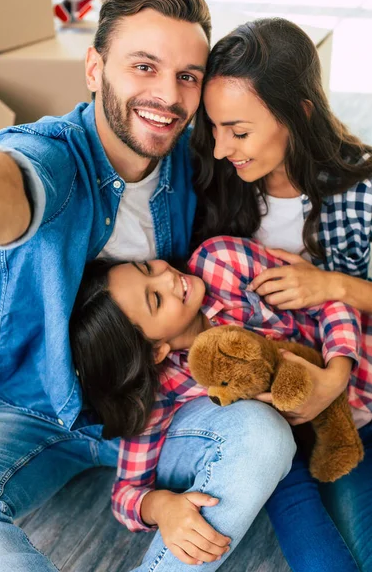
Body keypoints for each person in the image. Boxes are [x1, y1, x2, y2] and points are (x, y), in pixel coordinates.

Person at [0, 0, 293, 571]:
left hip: (162, 401)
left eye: (187, 75)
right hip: (33, 409)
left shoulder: (191, 162)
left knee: (264, 438)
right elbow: (16, 188)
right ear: (94, 67)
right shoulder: (55, 156)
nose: (168, 95)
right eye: (143, 66)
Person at [191, 17, 372, 571]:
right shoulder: (213, 183)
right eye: (214, 128)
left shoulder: (359, 194)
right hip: (259, 401)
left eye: (239, 132)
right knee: (308, 523)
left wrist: (332, 287)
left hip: (351, 388)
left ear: (302, 113)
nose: (222, 149)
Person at [70, 234, 365, 571]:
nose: (166, 277)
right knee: (311, 539)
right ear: (156, 350)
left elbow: (327, 297)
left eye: (147, 267)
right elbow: (125, 494)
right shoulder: (164, 387)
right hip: (296, 449)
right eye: (156, 299)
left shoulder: (221, 260)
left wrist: (335, 376)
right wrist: (162, 506)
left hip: (353, 396)